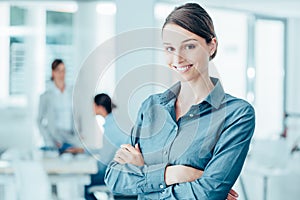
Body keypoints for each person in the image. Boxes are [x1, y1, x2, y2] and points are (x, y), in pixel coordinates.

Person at [105, 3, 255, 200]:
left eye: (189, 46)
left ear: (212, 46)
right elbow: (115, 178)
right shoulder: (151, 107)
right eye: (169, 48)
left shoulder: (237, 115)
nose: (178, 58)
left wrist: (144, 172)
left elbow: (208, 193)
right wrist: (175, 174)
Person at [85, 93, 133, 200]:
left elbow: (104, 160)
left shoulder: (110, 129)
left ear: (100, 107)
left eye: (94, 105)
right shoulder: (114, 123)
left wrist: (92, 168)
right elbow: (107, 151)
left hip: (115, 174)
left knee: (85, 183)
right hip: (122, 171)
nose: (92, 108)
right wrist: (84, 151)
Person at [37, 59, 83, 154]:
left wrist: (79, 134)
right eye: (58, 70)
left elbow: (78, 116)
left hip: (71, 137)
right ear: (53, 72)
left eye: (63, 70)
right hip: (55, 138)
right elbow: (39, 121)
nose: (62, 74)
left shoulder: (72, 93)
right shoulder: (46, 96)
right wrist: (49, 139)